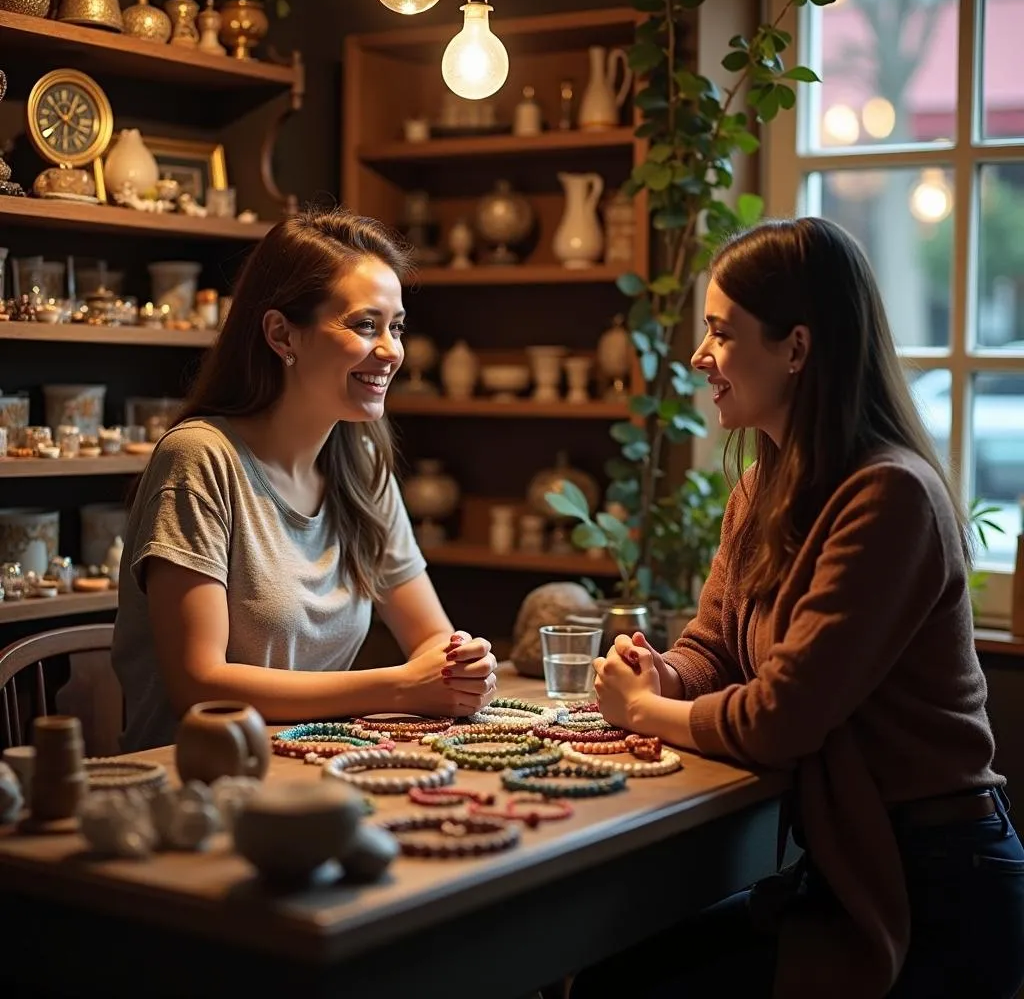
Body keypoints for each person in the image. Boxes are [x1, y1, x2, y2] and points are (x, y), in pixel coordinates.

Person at [571, 217, 1024, 999]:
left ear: (796, 349)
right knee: (615, 973)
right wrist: (664, 672)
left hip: (939, 884)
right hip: (851, 868)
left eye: (720, 332)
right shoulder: (760, 488)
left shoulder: (888, 496)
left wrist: (645, 710)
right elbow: (713, 645)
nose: (699, 356)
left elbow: (783, 719)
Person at [111, 209, 497, 753]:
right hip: (195, 788)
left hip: (318, 767)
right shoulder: (199, 459)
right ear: (280, 333)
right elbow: (199, 686)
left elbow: (432, 636)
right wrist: (399, 686)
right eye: (366, 325)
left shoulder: (360, 463)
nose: (391, 350)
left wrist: (462, 665)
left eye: (396, 326)